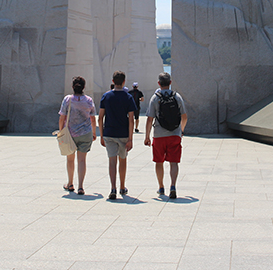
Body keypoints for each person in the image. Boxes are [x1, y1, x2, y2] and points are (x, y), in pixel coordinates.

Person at [144, 72, 187, 199]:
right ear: (170, 83)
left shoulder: (155, 98)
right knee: (174, 162)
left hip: (159, 135)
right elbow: (184, 116)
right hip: (174, 134)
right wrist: (181, 131)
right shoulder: (177, 97)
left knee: (159, 161)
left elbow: (149, 118)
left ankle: (161, 187)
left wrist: (147, 136)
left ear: (158, 83)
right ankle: (173, 186)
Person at [98, 71, 137, 200]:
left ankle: (113, 187)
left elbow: (100, 117)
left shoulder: (106, 96)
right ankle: (122, 186)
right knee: (123, 160)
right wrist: (131, 138)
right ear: (124, 82)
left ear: (113, 81)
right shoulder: (128, 97)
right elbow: (131, 119)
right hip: (123, 133)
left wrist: (102, 135)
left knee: (112, 161)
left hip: (109, 133)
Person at [58, 76, 96, 195]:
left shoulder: (68, 99)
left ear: (72, 87)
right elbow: (93, 118)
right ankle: (81, 186)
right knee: (82, 160)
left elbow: (62, 117)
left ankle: (70, 183)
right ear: (84, 87)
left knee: (70, 159)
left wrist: (61, 132)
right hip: (85, 133)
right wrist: (94, 132)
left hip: (70, 134)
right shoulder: (89, 100)